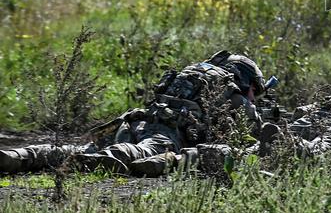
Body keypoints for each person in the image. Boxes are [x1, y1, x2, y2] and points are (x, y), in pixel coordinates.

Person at [0, 50, 270, 176]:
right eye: (254, 91)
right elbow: (255, 133)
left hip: (138, 123)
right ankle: (97, 162)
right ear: (246, 80)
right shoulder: (231, 88)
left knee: (82, 147)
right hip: (166, 134)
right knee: (131, 154)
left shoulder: (198, 72)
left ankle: (21, 155)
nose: (252, 97)